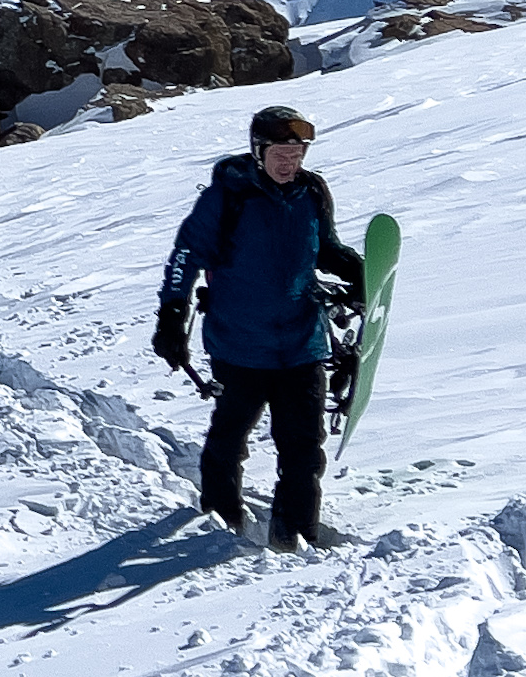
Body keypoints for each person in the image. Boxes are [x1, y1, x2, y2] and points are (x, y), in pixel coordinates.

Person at [155, 104, 367, 550]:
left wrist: (354, 269)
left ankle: (296, 534)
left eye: (298, 151)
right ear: (258, 151)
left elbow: (323, 248)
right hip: (239, 344)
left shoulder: (312, 193)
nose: (290, 161)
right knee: (231, 436)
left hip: (302, 341)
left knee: (304, 448)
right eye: (280, 152)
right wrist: (172, 316)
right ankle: (221, 517)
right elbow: (185, 257)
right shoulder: (227, 198)